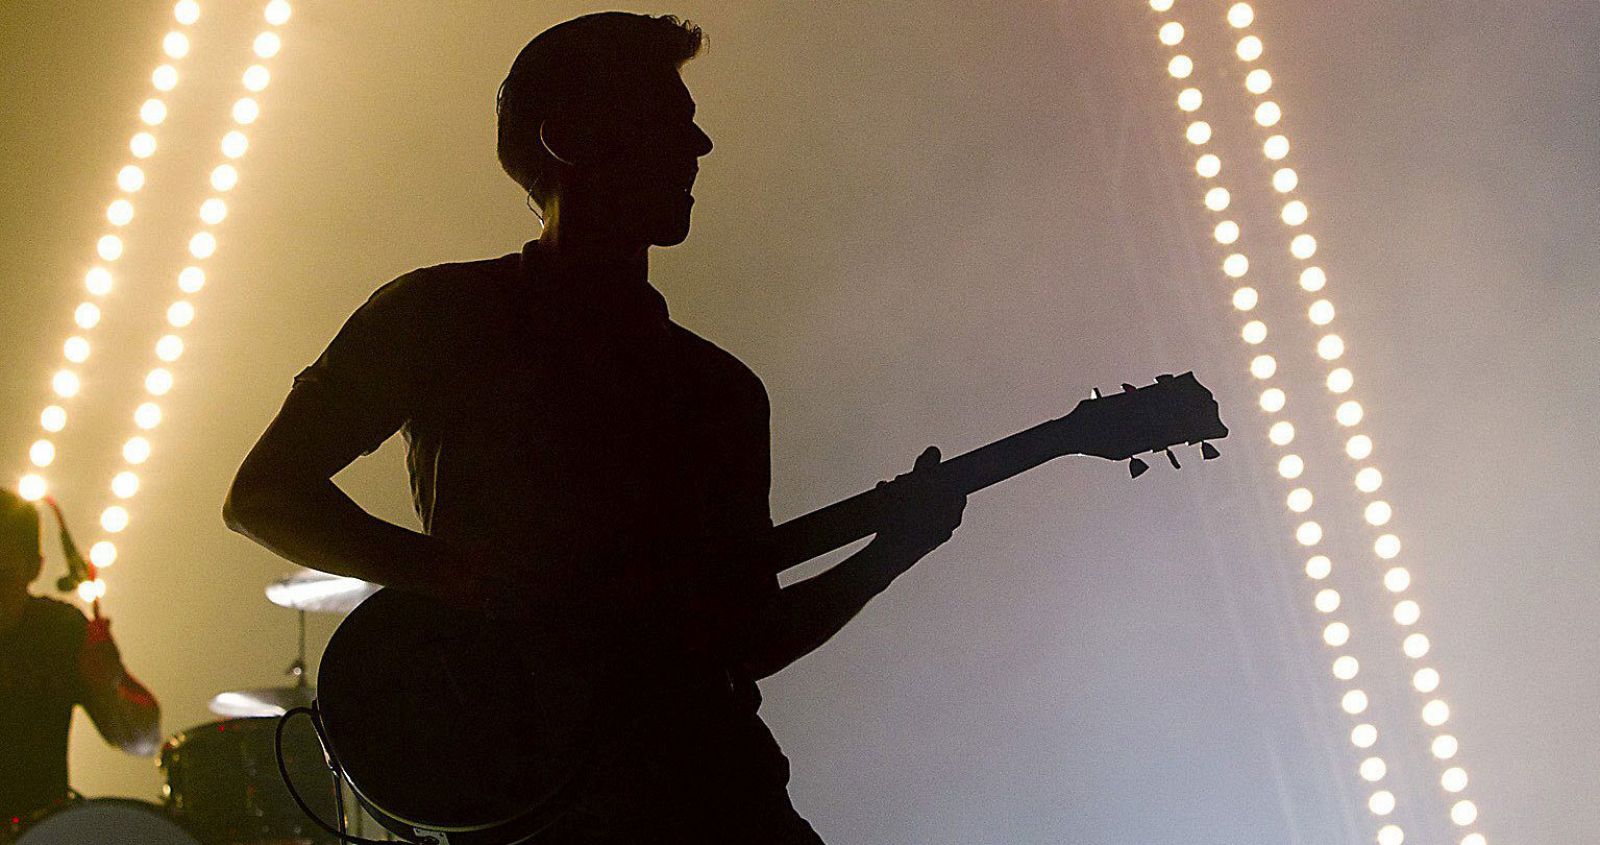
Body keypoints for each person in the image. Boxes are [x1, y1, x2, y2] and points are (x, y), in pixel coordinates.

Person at [223, 12, 964, 842]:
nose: (700, 148)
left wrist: (891, 551)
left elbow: (744, 637)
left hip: (707, 795)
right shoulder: (441, 316)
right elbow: (265, 494)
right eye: (669, 123)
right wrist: (451, 574)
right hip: (545, 809)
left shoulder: (720, 391)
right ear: (571, 138)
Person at [0, 490, 161, 825]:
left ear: (34, 568)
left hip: (40, 830)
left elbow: (143, 740)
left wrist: (107, 685)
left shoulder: (62, 630)